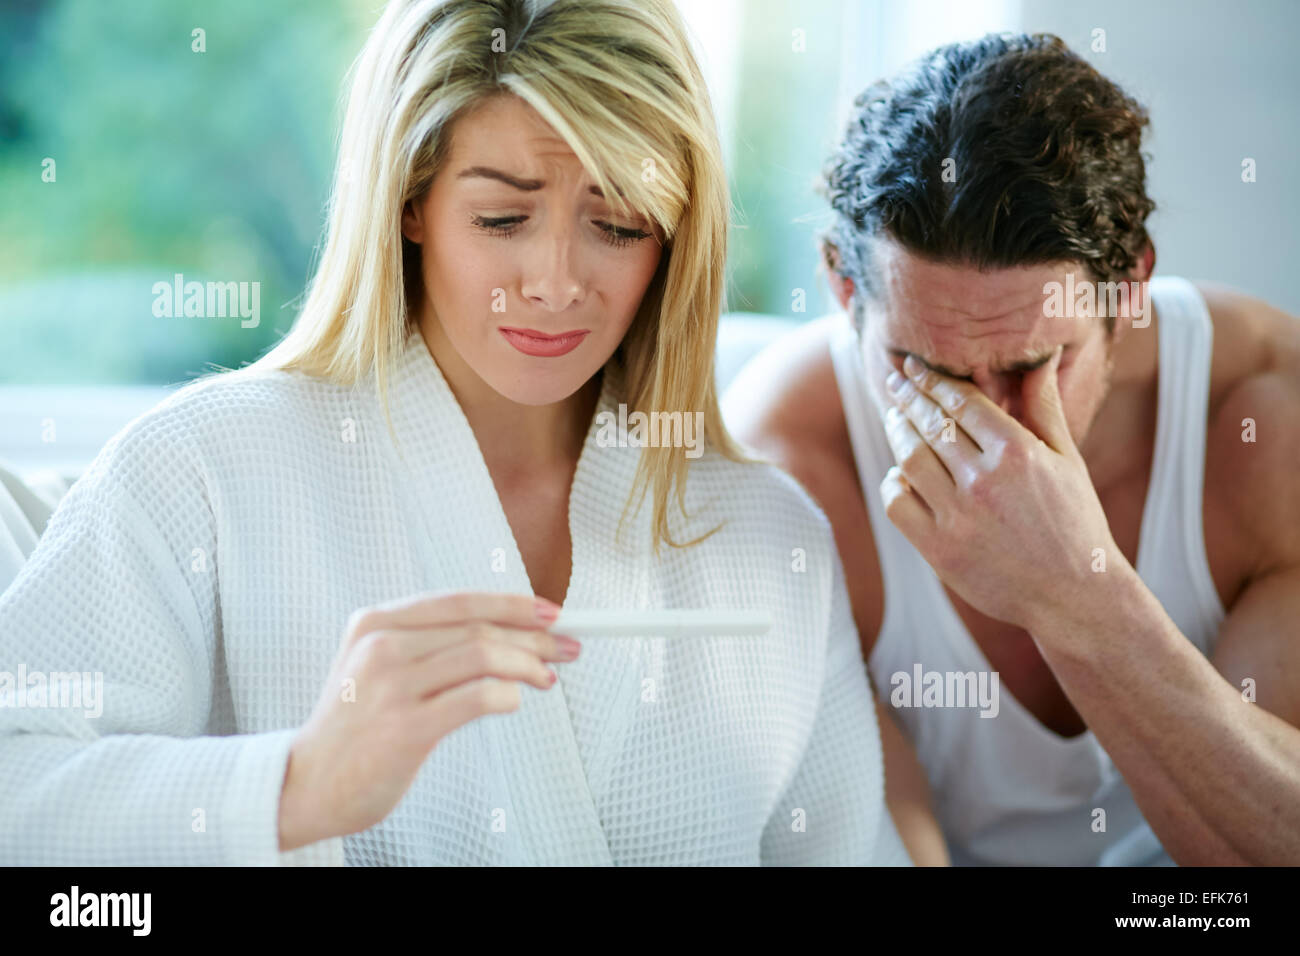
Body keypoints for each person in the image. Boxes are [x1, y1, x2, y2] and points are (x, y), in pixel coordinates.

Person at [0, 0, 936, 866]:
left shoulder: (765, 534)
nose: (557, 280)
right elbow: (19, 791)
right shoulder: (199, 471)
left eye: (616, 225)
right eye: (502, 216)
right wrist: (299, 786)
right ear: (410, 200)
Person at [725, 32, 1300, 865]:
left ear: (1129, 289)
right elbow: (875, 841)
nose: (982, 428)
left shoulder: (1264, 421)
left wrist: (1073, 593)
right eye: (923, 370)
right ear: (846, 291)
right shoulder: (785, 464)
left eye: (1035, 365)